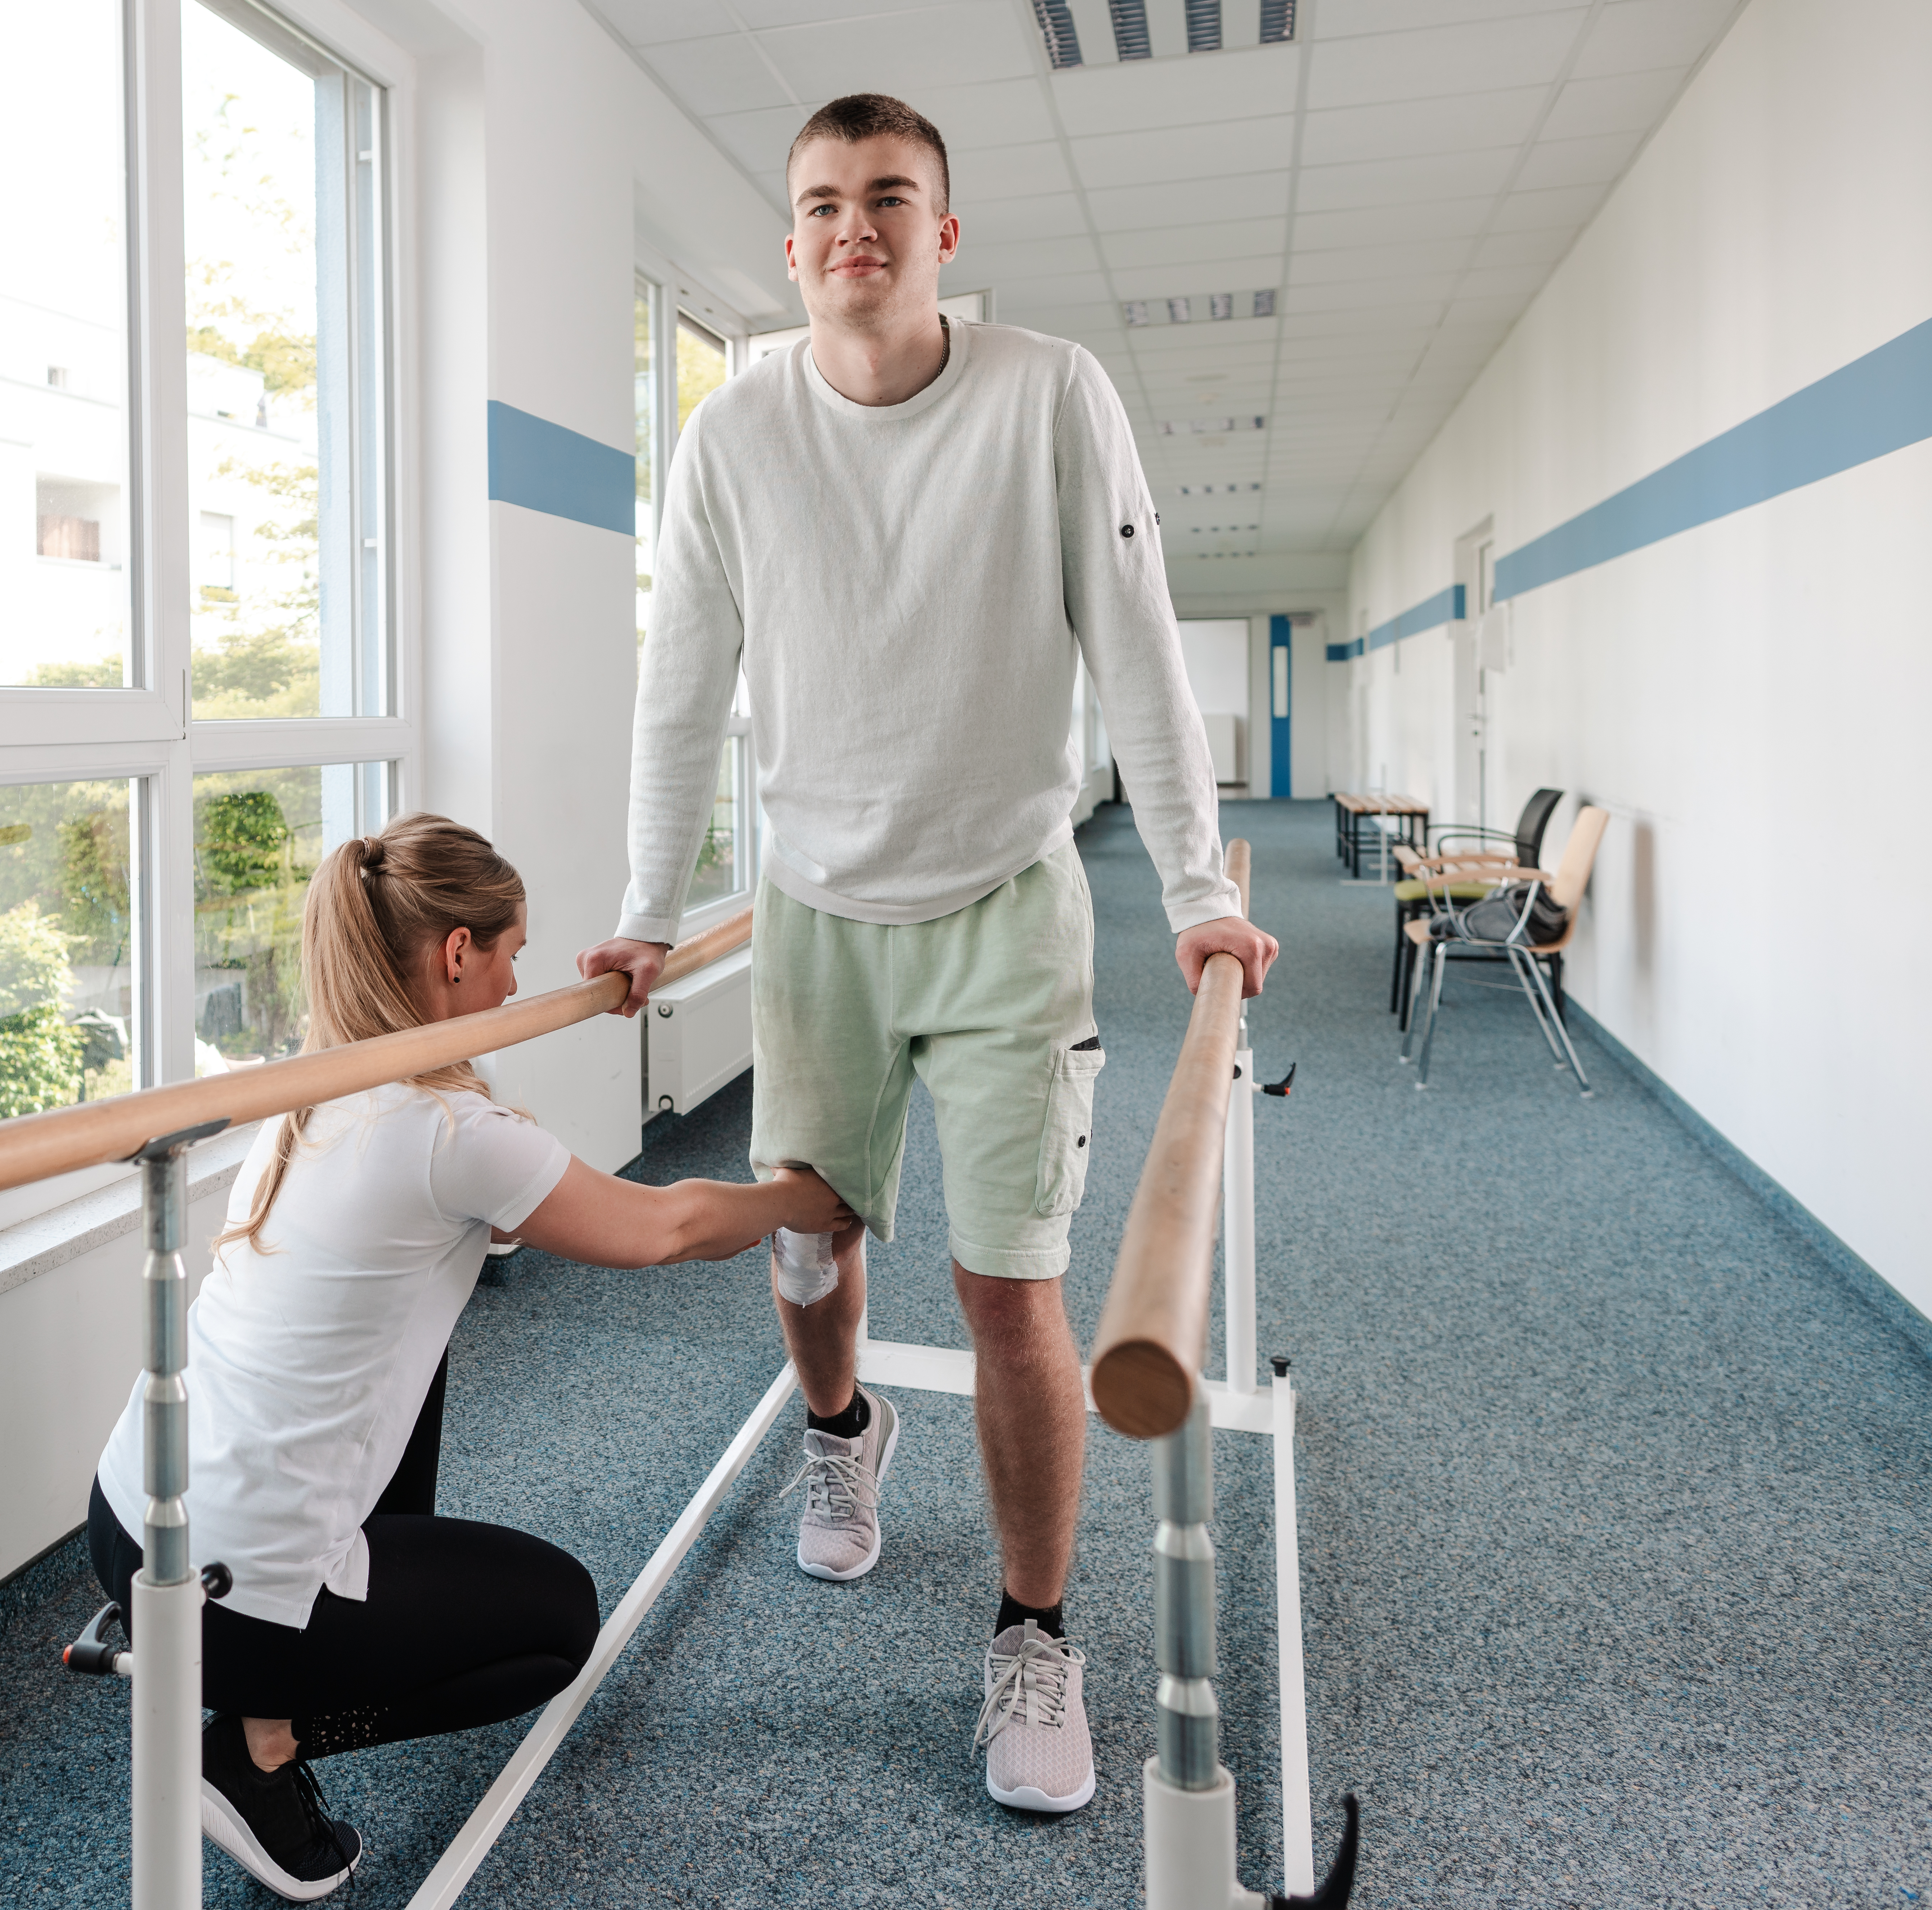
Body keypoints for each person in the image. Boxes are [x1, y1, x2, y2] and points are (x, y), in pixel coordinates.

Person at [578, 93, 1281, 1817]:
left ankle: (1033, 1630)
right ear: (791, 242)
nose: (851, 231)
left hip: (998, 908)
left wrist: (1194, 889)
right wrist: (650, 907)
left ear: (941, 234)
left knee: (1005, 1291)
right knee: (808, 1254)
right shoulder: (732, 436)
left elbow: (1134, 649)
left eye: (887, 199)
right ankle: (838, 1442)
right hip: (816, 913)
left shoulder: (1046, 394)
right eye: (819, 205)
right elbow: (681, 690)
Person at [89, 812, 853, 1902]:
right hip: (226, 1588)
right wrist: (816, 1197)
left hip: (129, 1521)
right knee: (554, 1625)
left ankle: (272, 1672)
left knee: (422, 1339)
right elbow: (665, 1229)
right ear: (458, 954)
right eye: (511, 956)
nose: (515, 983)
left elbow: (466, 1220)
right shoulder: (451, 1136)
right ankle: (256, 1749)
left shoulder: (320, 1087)